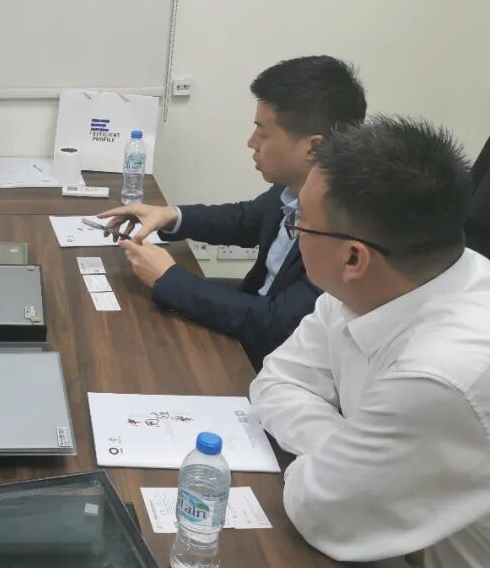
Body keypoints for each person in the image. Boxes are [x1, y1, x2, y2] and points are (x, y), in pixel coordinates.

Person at [250, 117, 490, 568]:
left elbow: (318, 510)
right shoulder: (382, 281)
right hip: (372, 562)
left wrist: (343, 473)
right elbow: (277, 381)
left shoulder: (442, 374)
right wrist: (347, 451)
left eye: (300, 224)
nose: (294, 233)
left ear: (353, 256)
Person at [99, 55, 366, 369]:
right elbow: (245, 219)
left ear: (313, 148)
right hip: (254, 317)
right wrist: (170, 216)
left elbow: (277, 325)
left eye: (262, 133)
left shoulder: (344, 229)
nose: (251, 143)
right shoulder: (294, 188)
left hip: (276, 359)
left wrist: (169, 279)